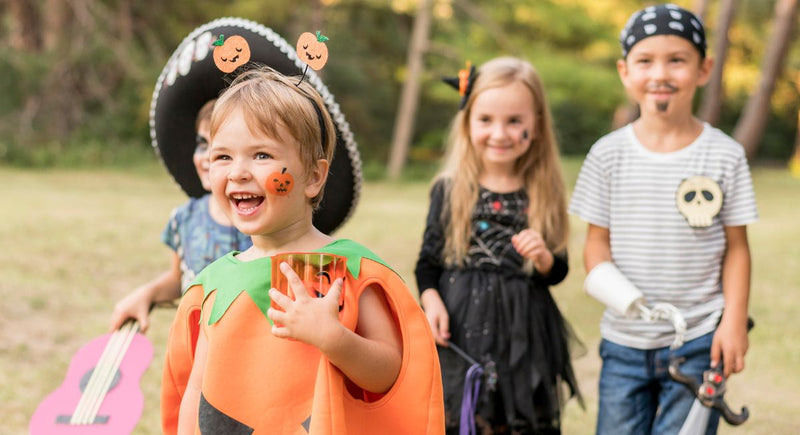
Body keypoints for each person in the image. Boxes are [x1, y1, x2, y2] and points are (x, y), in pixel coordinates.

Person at [167, 67, 445, 434]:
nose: (238, 173)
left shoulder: (346, 269)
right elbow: (199, 393)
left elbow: (390, 372)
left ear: (313, 177)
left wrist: (335, 339)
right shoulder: (214, 283)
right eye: (223, 157)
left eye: (262, 155)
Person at [569, 4, 758, 434]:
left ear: (704, 69)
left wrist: (733, 320)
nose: (661, 74)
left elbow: (737, 248)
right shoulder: (607, 155)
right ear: (624, 71)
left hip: (700, 340)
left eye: (677, 60)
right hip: (624, 341)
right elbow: (596, 242)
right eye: (645, 61)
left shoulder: (724, 155)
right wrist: (614, 288)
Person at [415, 56, 582, 434]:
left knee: (519, 418)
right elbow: (428, 263)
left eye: (514, 121)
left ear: (536, 125)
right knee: (467, 417)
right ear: (468, 120)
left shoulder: (544, 190)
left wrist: (542, 257)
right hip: (463, 325)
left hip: (525, 331)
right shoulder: (450, 189)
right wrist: (432, 301)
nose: (500, 133)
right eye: (486, 120)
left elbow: (558, 270)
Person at [109, 99, 252, 333]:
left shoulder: (263, 220)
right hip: (194, 349)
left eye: (222, 149)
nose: (208, 157)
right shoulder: (184, 219)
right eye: (202, 144)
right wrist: (147, 294)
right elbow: (180, 279)